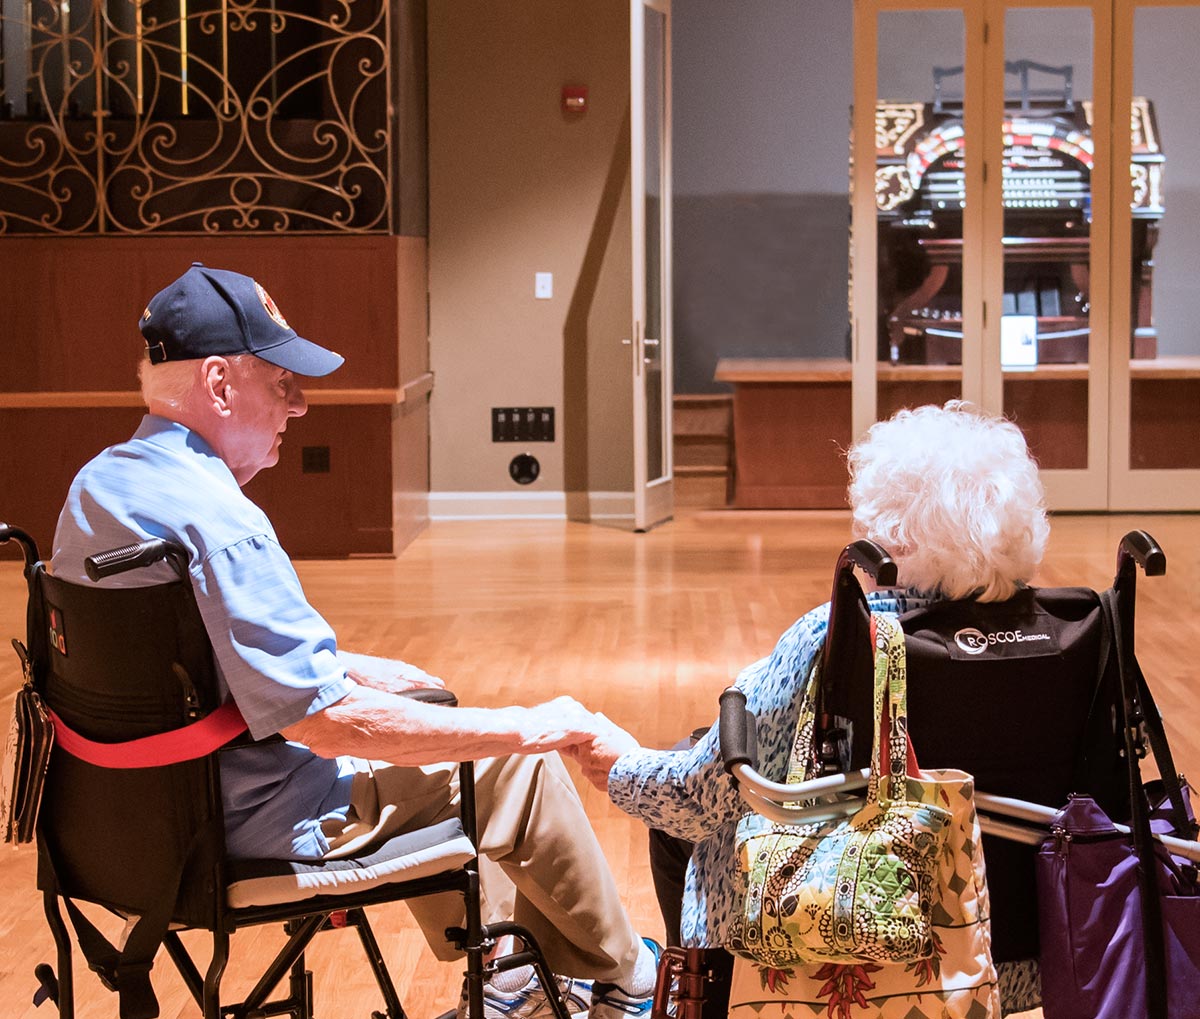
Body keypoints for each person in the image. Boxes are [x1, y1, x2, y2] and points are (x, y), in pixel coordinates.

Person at [50, 263, 661, 1019]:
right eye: (280, 381)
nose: (299, 405)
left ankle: (518, 981)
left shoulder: (96, 489)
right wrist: (530, 723)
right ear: (217, 384)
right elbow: (323, 724)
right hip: (245, 825)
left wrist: (352, 672)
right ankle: (633, 981)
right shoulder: (223, 524)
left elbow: (190, 663)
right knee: (510, 764)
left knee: (426, 709)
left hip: (125, 822)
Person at [567, 400, 1051, 1015]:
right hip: (1025, 953)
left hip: (880, 954)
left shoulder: (843, 638)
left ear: (892, 536)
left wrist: (623, 766)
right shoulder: (1069, 632)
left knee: (680, 810)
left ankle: (704, 999)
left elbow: (696, 799)